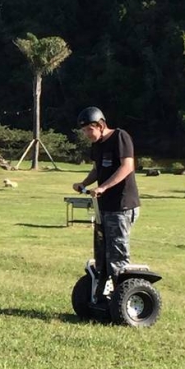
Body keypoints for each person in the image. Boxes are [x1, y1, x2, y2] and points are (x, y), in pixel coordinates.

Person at [72, 107, 140, 294]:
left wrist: (103, 187)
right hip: (104, 206)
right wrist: (83, 183)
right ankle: (101, 293)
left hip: (122, 205)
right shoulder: (97, 145)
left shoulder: (120, 137)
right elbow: (97, 169)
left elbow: (127, 167)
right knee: (101, 253)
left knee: (117, 254)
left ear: (101, 125)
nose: (87, 134)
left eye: (89, 130)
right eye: (84, 131)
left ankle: (122, 296)